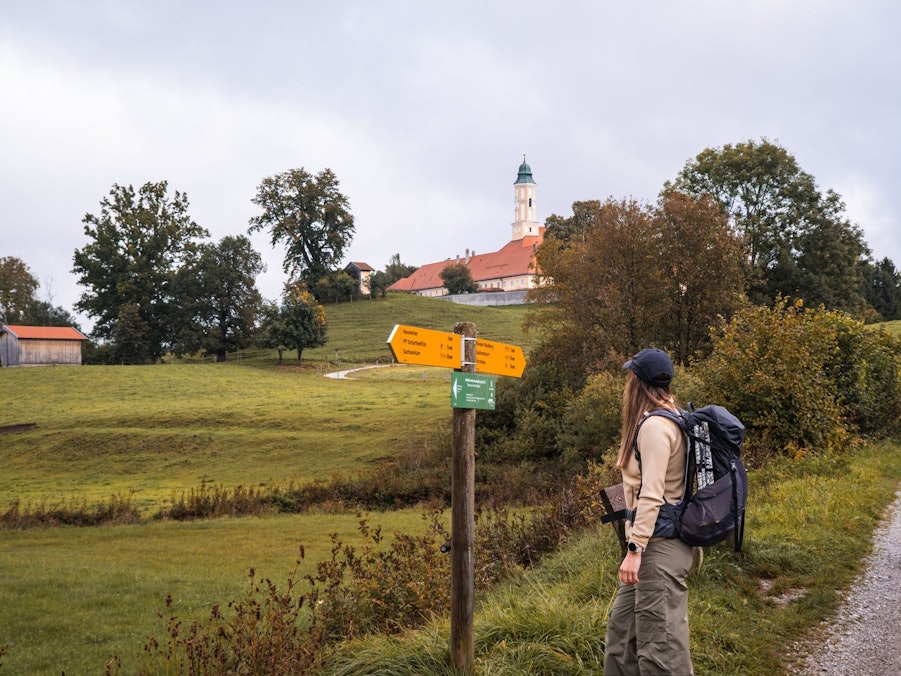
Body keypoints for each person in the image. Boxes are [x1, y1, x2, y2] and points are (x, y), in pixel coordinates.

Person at [604, 348, 694, 676]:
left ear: (638, 384)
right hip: (656, 544)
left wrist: (634, 548)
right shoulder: (675, 416)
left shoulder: (655, 427)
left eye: (631, 376)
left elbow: (651, 494)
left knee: (661, 651)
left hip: (656, 547)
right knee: (621, 634)